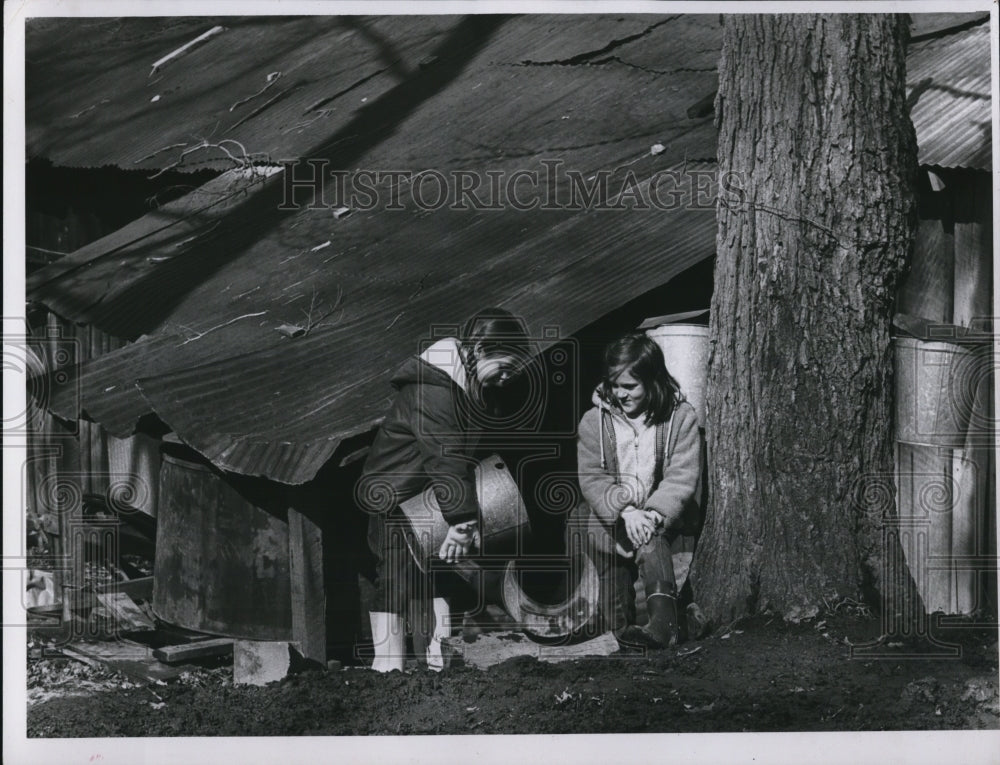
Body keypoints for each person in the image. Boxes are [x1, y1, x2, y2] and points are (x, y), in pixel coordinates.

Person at [358, 307, 531, 672]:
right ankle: (386, 665)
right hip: (397, 498)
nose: (505, 377)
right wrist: (463, 521)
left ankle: (441, 659)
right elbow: (446, 456)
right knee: (396, 576)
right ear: (479, 350)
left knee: (445, 572)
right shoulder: (433, 391)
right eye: (503, 366)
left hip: (431, 499)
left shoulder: (465, 384)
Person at [575, 332, 702, 649]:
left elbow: (681, 474)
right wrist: (624, 512)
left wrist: (651, 514)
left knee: (650, 540)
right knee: (608, 562)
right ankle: (618, 632)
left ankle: (664, 626)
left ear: (653, 380)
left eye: (630, 386)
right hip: (615, 519)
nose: (620, 394)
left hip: (657, 519)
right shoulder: (594, 422)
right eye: (615, 385)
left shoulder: (679, 418)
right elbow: (592, 476)